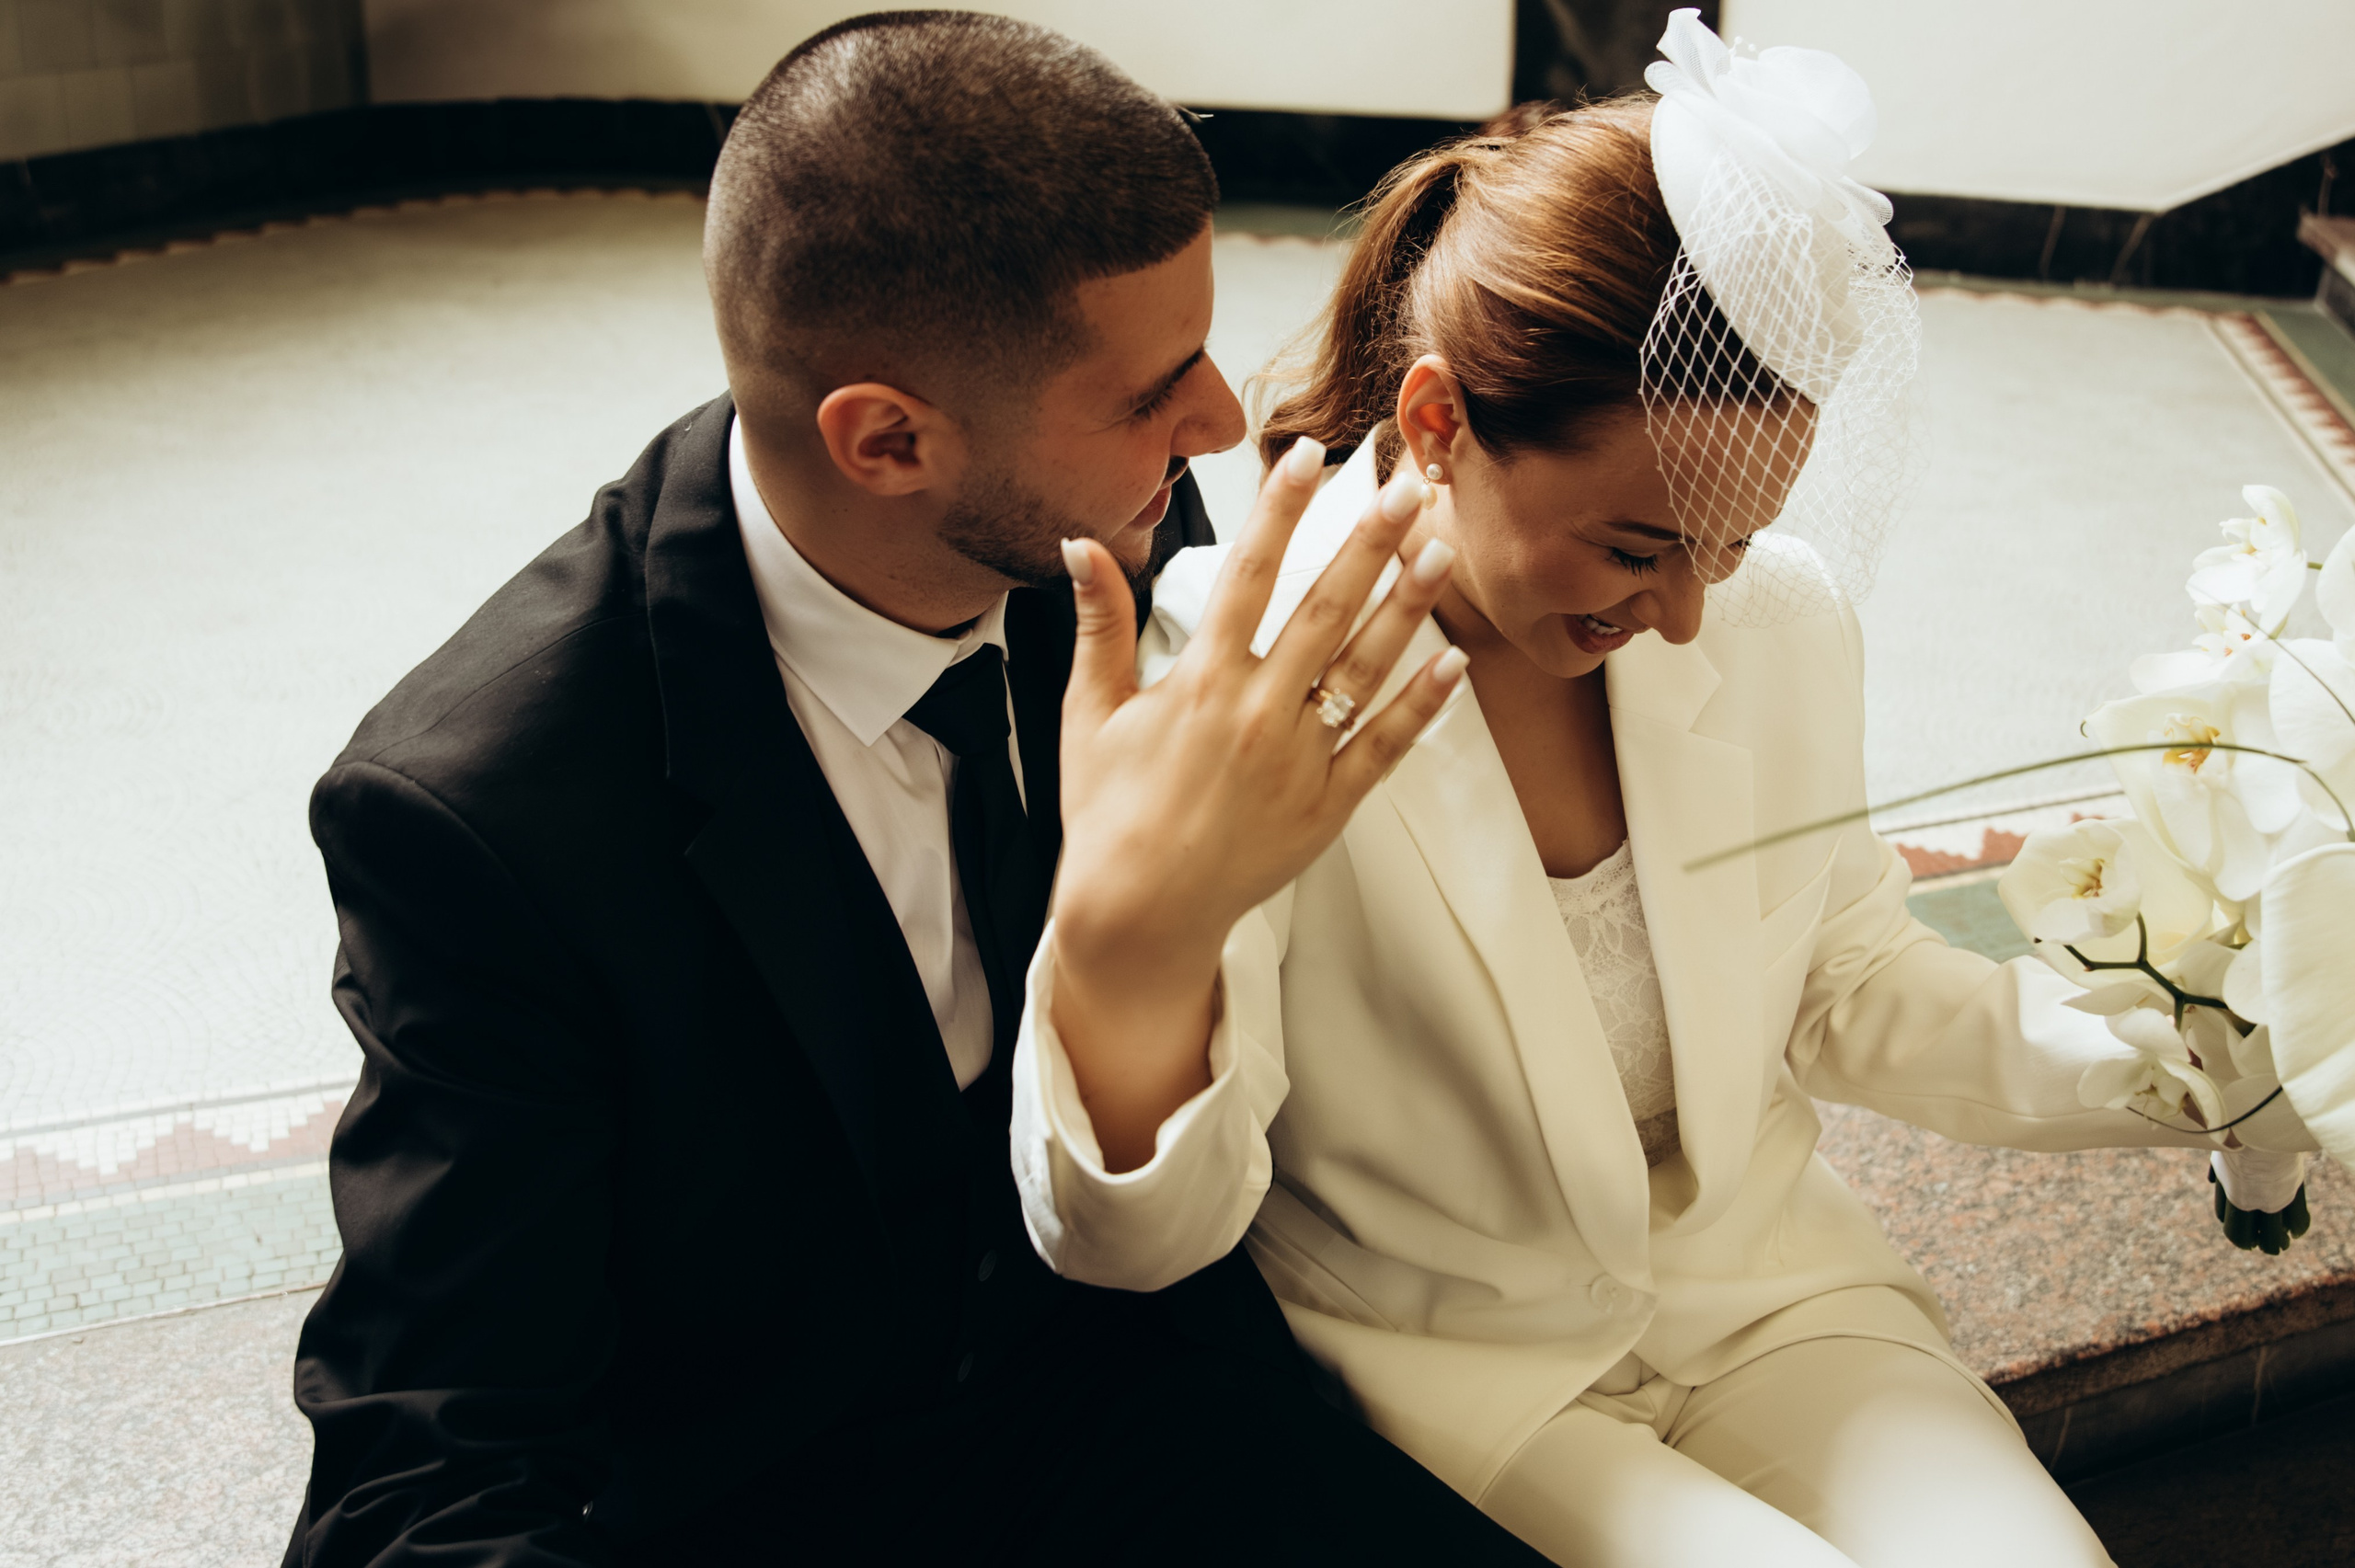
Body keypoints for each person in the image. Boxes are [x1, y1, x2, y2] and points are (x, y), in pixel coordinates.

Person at [1012, 13, 2317, 1567]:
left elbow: (1848, 982)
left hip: (1771, 1296)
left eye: (1731, 541)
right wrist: (1119, 949)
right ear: (1437, 424)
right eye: (1638, 545)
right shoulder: (1230, 684)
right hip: (1477, 1374)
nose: (1692, 608)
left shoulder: (1777, 615)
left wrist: (2226, 1050)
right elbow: (1144, 1233)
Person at [281, 13, 1549, 1565]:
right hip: (776, 1502)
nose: (1222, 420)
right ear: (886, 441)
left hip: (1158, 1404)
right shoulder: (486, 812)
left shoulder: (1095, 525)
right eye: (1154, 392)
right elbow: (424, 1478)